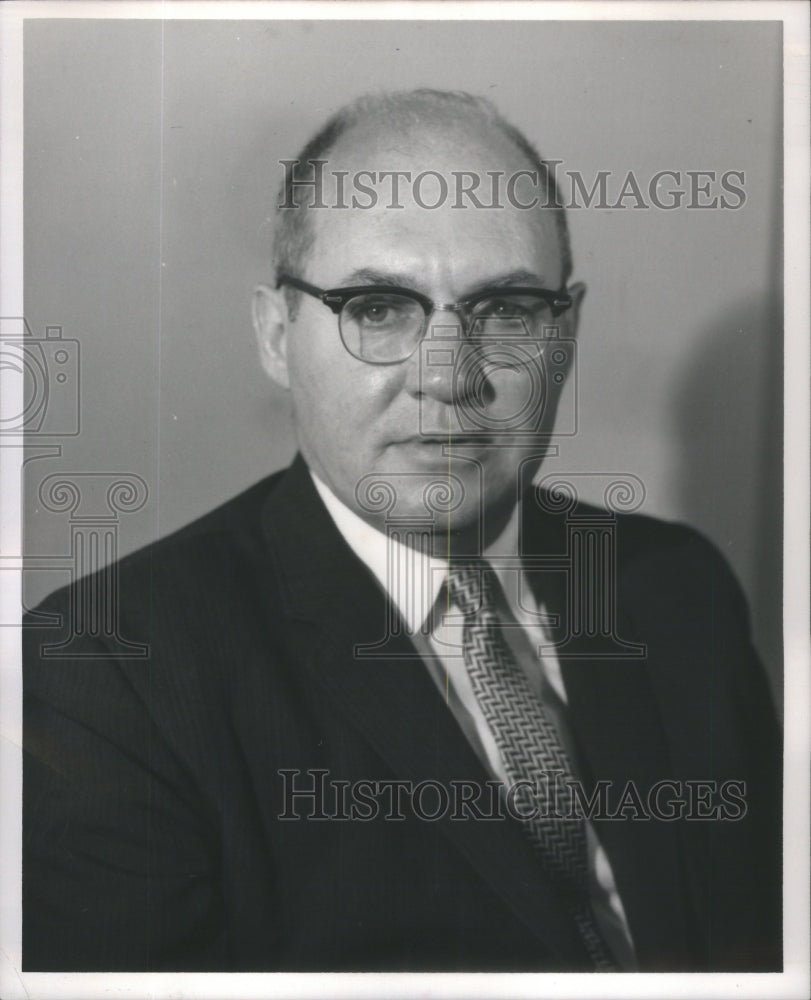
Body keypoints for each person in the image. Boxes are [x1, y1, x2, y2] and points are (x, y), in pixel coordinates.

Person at [23, 89, 781, 973]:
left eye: (507, 310)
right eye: (379, 308)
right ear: (276, 335)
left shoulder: (677, 587)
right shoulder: (112, 670)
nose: (448, 377)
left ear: (565, 333)